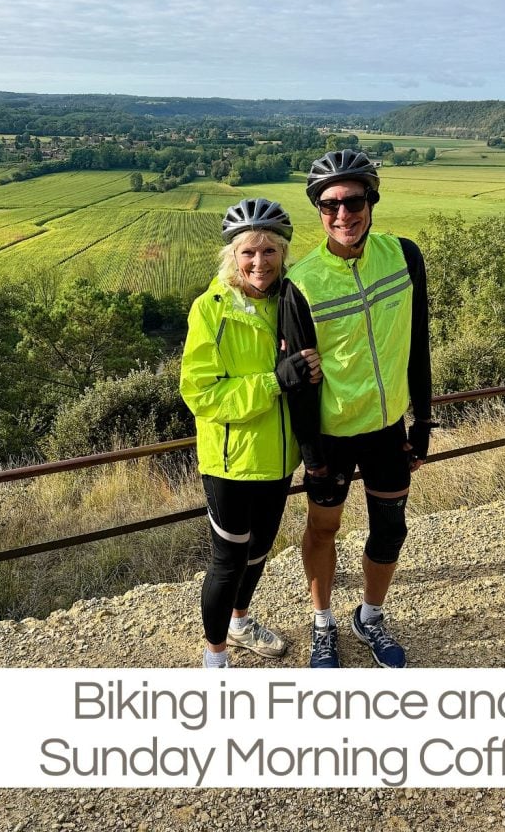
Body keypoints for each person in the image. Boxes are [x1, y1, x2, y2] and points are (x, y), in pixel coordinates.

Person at [279, 149, 434, 669]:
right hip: (333, 437)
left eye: (353, 200)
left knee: (391, 529)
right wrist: (311, 450)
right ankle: (322, 622)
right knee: (324, 530)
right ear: (318, 211)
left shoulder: (405, 256)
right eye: (329, 205)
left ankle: (369, 615)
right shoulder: (300, 282)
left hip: (389, 430)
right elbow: (300, 383)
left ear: (372, 199)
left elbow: (420, 346)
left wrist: (424, 421)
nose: (343, 214)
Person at [180, 197, 321, 669]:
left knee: (259, 552)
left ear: (283, 254)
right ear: (232, 256)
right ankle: (215, 658)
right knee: (228, 562)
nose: (259, 262)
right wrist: (273, 381)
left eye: (269, 252)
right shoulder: (210, 310)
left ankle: (239, 622)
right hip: (230, 462)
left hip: (280, 461)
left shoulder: (292, 301)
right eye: (248, 252)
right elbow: (201, 394)